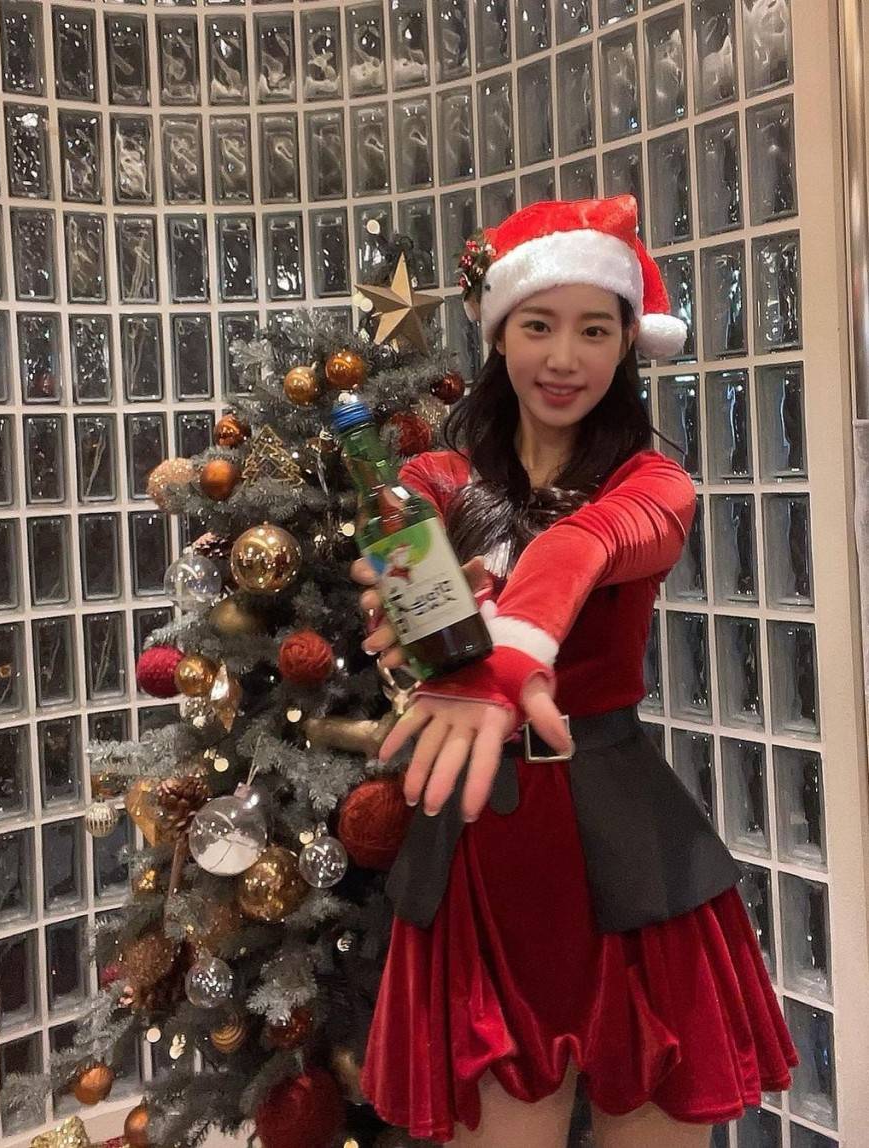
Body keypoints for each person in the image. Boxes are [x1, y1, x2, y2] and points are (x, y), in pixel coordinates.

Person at [350, 196, 798, 1147]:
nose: (565, 358)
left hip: (628, 845)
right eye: (538, 326)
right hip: (479, 847)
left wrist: (519, 643)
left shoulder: (652, 483)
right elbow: (415, 615)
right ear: (498, 334)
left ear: (628, 342)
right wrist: (421, 629)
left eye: (595, 330)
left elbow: (588, 542)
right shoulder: (432, 483)